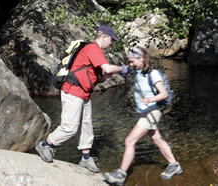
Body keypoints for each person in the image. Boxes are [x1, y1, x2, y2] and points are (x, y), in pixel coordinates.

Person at [35, 25, 129, 173]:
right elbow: (109, 68)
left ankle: (85, 158)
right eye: (111, 40)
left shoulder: (93, 51)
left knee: (86, 126)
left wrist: (105, 77)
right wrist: (125, 68)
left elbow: (96, 80)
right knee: (70, 127)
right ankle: (45, 145)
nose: (111, 44)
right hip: (72, 91)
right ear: (104, 37)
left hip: (84, 93)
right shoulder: (93, 49)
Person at [103, 46, 182, 185]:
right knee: (157, 139)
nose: (130, 64)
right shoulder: (136, 70)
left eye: (132, 61)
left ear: (142, 58)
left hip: (151, 112)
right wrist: (107, 68)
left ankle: (120, 174)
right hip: (145, 113)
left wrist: (150, 99)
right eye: (129, 61)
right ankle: (174, 165)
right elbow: (121, 69)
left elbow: (164, 94)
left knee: (129, 141)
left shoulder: (154, 74)